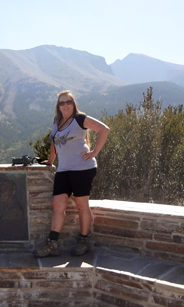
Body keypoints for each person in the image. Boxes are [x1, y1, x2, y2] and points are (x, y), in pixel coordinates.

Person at [34, 90, 110, 257]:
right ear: (58, 106)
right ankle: (52, 244)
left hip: (83, 168)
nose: (65, 105)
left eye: (68, 102)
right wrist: (50, 161)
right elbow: (54, 142)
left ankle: (83, 241)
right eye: (62, 103)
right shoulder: (57, 121)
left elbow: (104, 130)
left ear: (73, 104)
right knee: (57, 204)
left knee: (82, 205)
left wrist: (94, 152)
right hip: (64, 169)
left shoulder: (80, 119)